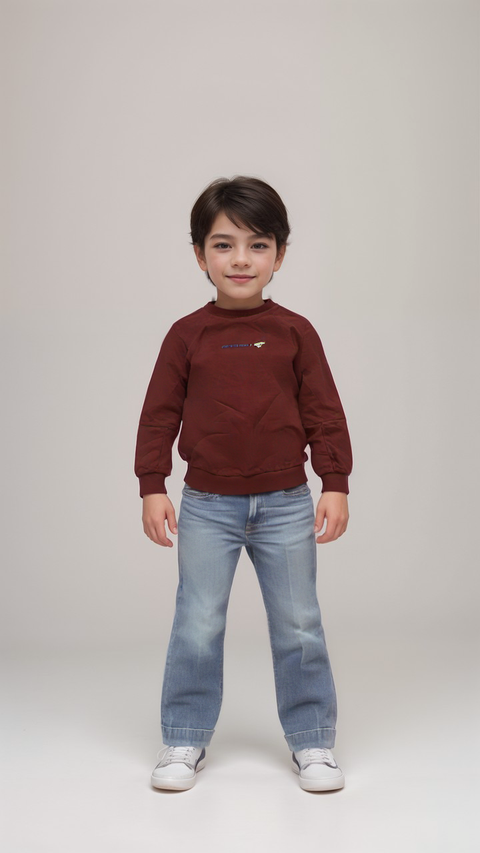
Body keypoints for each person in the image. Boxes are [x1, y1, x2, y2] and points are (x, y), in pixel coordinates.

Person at [134, 175, 353, 793]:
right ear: (199, 255)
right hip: (207, 506)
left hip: (286, 505)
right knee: (197, 622)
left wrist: (334, 480)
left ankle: (312, 741)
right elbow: (158, 414)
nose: (240, 259)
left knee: (299, 623)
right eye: (223, 245)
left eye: (258, 245)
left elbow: (324, 410)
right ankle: (184, 735)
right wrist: (153, 484)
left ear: (279, 255)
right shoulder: (186, 335)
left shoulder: (295, 332)